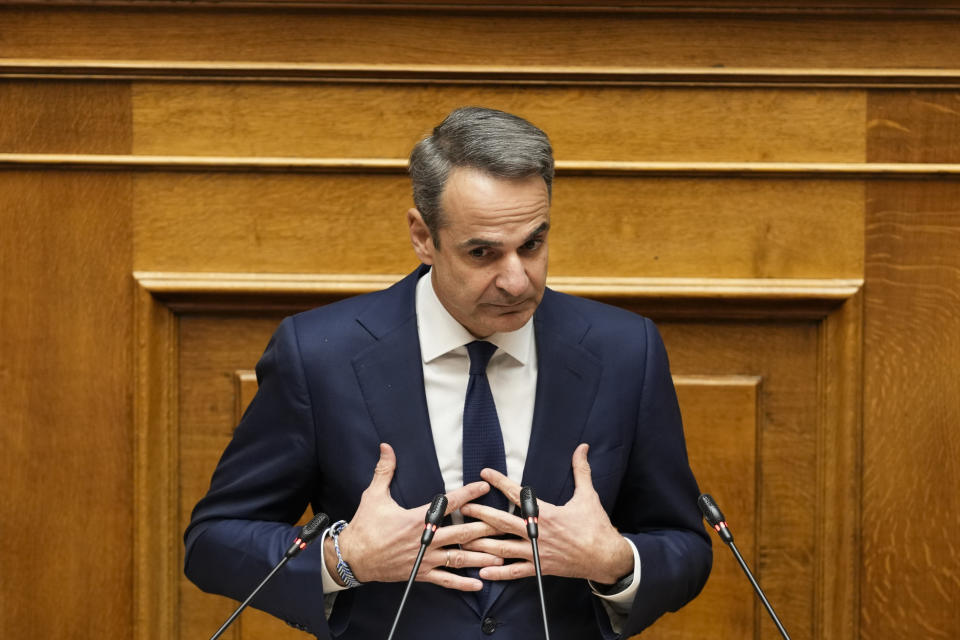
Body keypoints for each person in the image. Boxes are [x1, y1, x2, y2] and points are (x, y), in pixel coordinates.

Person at [184, 106, 711, 639]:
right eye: (482, 252)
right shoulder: (320, 355)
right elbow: (213, 542)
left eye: (532, 244)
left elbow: (686, 546)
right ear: (423, 236)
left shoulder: (625, 350)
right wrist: (345, 558)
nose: (516, 280)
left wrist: (615, 561)